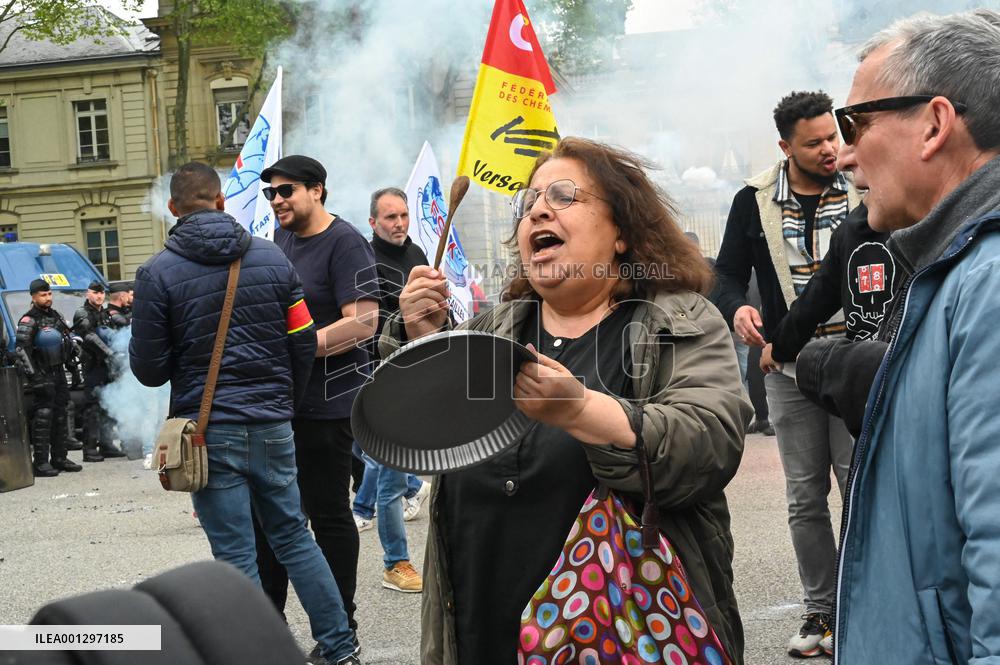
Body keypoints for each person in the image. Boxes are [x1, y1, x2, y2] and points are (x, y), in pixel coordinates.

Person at [383, 137, 751, 664]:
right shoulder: (490, 330)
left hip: (622, 634)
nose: (537, 210)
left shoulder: (678, 319)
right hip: (480, 629)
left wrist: (582, 411)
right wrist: (423, 341)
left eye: (563, 195)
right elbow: (414, 436)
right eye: (527, 202)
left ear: (622, 232)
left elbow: (709, 443)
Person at [804, 11, 1000, 663]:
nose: (846, 153)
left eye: (855, 124)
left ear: (936, 124)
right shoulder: (953, 270)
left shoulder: (989, 279)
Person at [129, 161, 360, 665]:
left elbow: (148, 369)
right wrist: (285, 402)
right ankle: (342, 649)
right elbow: (302, 341)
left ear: (172, 210)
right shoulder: (274, 259)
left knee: (236, 554)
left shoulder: (156, 273)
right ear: (220, 201)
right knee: (296, 539)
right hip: (274, 422)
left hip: (209, 432)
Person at [712, 90, 861, 658]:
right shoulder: (751, 200)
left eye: (833, 137)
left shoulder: (862, 184)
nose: (830, 149)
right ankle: (821, 609)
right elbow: (726, 274)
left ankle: (862, 596)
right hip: (787, 368)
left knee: (858, 486)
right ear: (785, 147)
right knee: (804, 496)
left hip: (856, 360)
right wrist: (738, 308)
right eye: (815, 142)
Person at [255, 155, 381, 644]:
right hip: (283, 403)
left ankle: (339, 628)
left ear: (317, 191)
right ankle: (270, 630)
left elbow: (363, 323)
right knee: (274, 518)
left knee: (327, 516)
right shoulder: (281, 238)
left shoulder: (345, 242)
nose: (278, 201)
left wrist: (301, 346)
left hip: (329, 406)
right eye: (272, 194)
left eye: (286, 191)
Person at [350, 186, 431, 593]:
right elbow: (370, 322)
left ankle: (369, 510)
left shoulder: (417, 255)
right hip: (376, 376)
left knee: (383, 465)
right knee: (388, 474)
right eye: (390, 218)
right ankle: (396, 562)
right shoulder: (363, 260)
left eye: (403, 216)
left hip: (415, 373)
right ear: (373, 223)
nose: (399, 224)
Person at [15, 279, 82, 476]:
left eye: (49, 294)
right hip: (42, 373)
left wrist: (74, 368)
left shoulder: (56, 317)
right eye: (43, 295)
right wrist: (34, 378)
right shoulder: (29, 320)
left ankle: (60, 458)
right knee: (44, 417)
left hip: (59, 372)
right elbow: (21, 350)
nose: (48, 298)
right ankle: (41, 462)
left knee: (61, 414)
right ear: (34, 297)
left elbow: (67, 343)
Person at [73, 281, 125, 462]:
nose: (99, 296)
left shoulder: (105, 313)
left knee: (109, 405)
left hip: (107, 366)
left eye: (102, 293)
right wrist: (110, 353)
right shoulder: (82, 313)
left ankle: (107, 444)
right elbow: (89, 336)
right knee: (93, 408)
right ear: (88, 294)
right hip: (93, 366)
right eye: (95, 293)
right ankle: (89, 449)